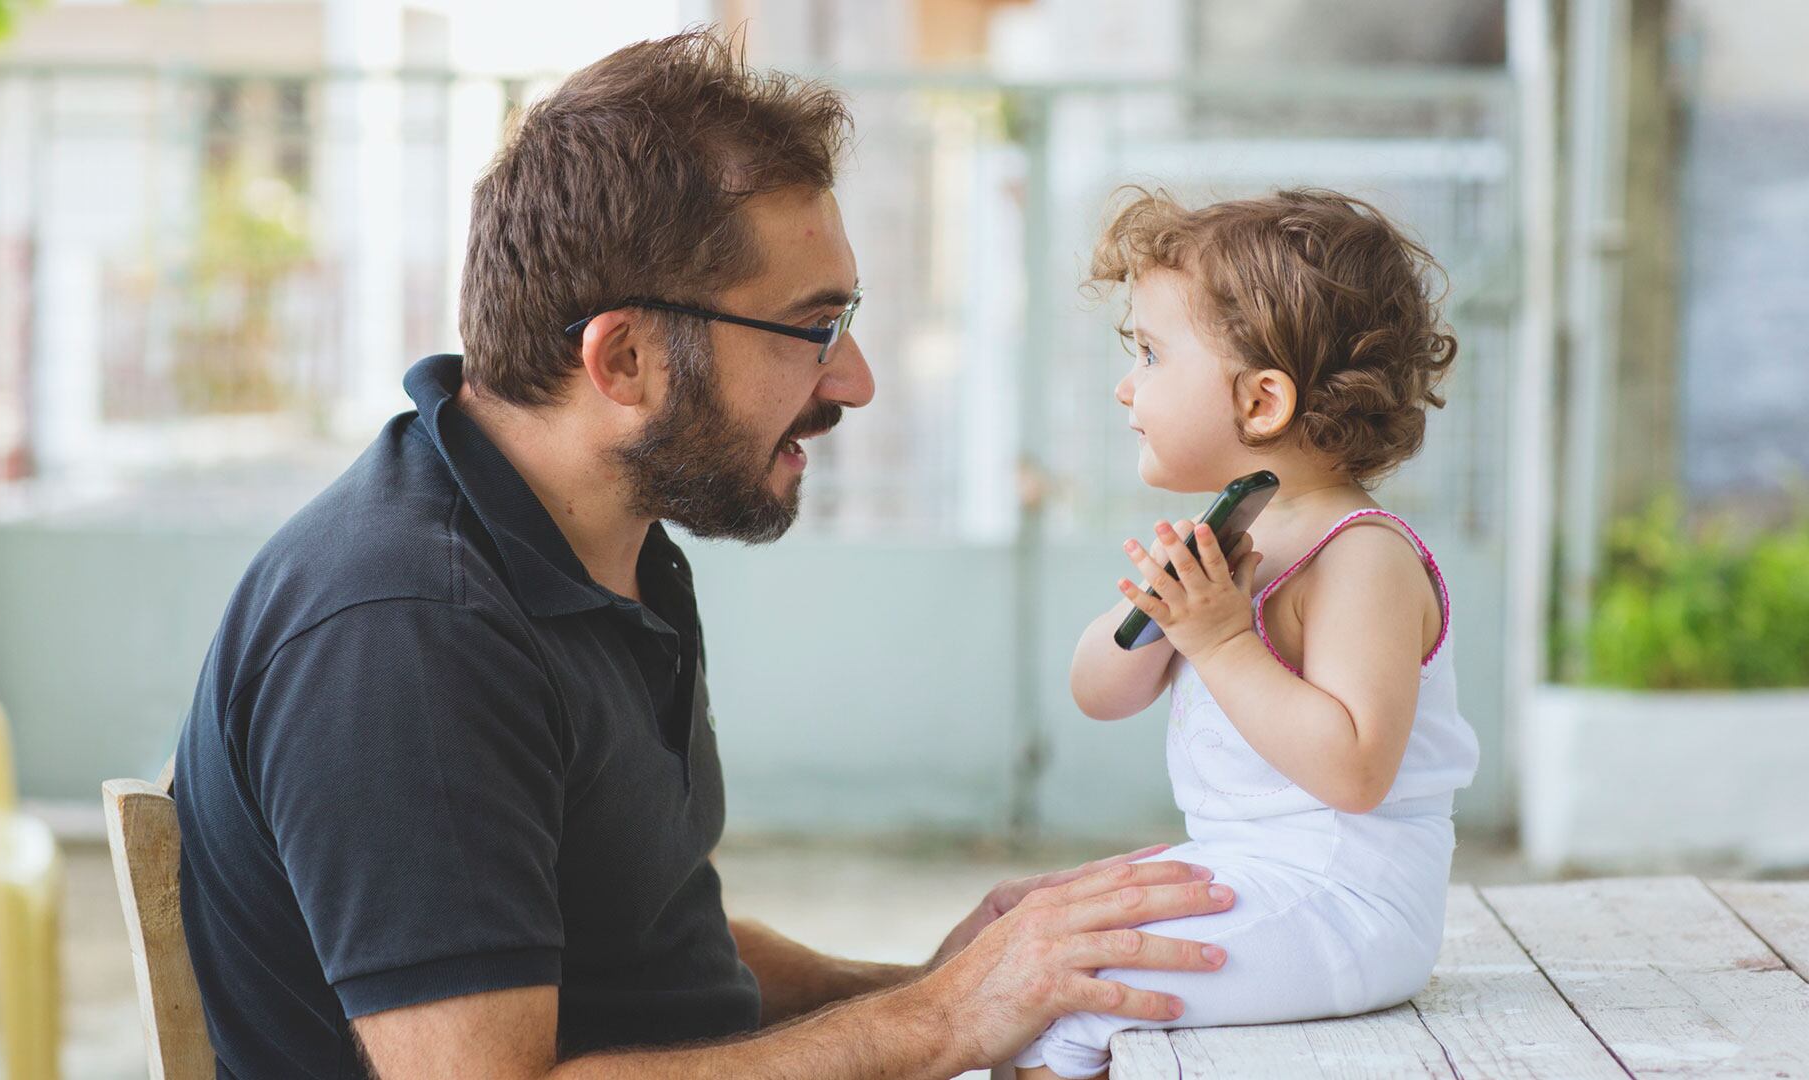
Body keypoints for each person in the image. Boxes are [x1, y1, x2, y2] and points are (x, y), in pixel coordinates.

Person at [173, 29, 1238, 1080]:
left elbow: (644, 954)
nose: (854, 379)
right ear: (627, 358)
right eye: (811, 329)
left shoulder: (605, 547)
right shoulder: (408, 631)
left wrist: (932, 978)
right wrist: (939, 1023)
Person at [1013, 188, 1481, 1079]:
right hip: (1262, 878)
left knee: (1062, 995)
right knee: (1027, 940)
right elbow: (1097, 693)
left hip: (1346, 906)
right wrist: (1159, 614)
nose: (1126, 385)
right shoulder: (1236, 541)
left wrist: (1223, 642)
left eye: (1149, 354)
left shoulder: (1363, 557)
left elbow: (1354, 769)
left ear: (1262, 400)